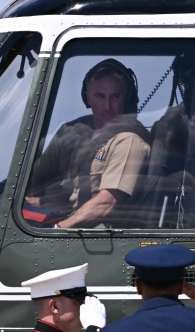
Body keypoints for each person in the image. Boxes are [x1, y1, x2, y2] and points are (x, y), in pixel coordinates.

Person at [27, 58, 151, 229]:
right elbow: (39, 179)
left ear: (127, 98)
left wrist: (58, 230)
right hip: (66, 219)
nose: (107, 106)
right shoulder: (74, 132)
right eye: (100, 96)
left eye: (115, 96)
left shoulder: (128, 140)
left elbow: (106, 204)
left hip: (95, 233)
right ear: (88, 98)